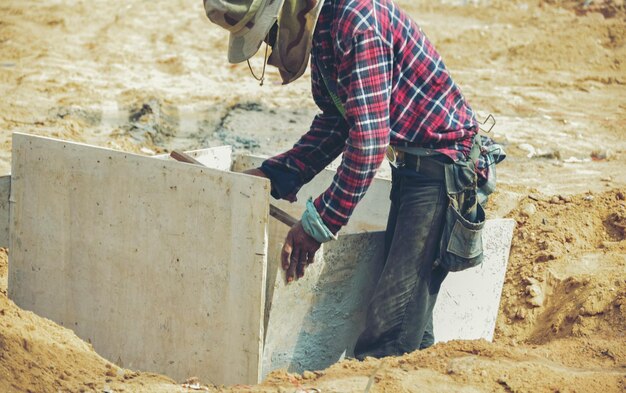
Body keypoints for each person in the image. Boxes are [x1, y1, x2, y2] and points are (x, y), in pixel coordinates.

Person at [204, 0, 480, 359]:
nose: (273, 49)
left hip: (442, 171)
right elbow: (337, 122)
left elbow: (368, 144)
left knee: (389, 334)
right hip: (415, 169)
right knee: (410, 327)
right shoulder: (328, 31)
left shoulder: (356, 23)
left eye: (269, 37)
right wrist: (273, 176)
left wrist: (317, 225)